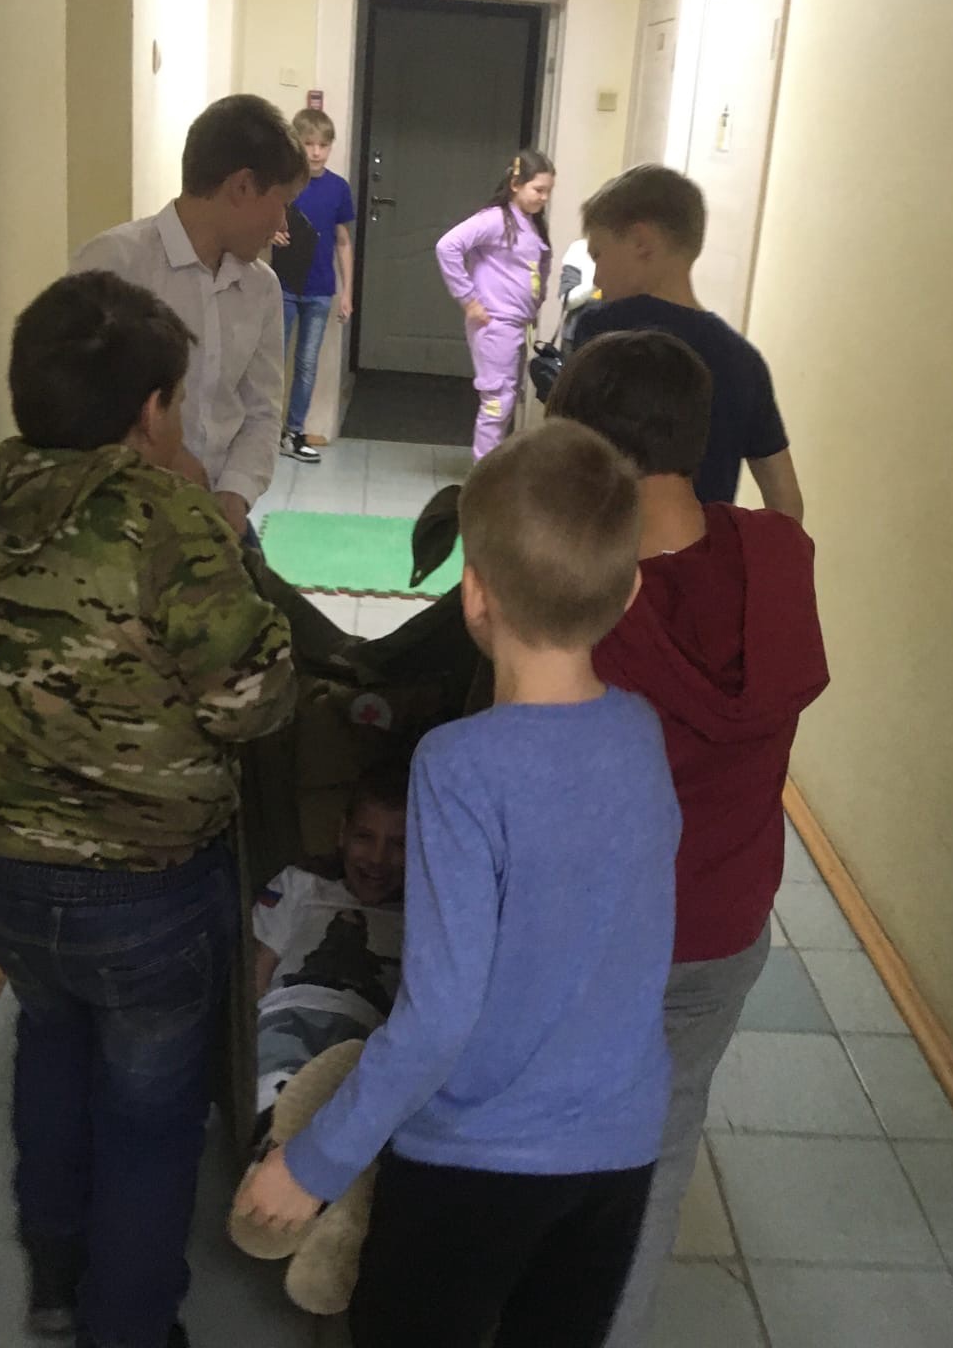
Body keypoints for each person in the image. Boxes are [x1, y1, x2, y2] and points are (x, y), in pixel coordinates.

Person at [234, 420, 680, 1348]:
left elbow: (439, 1016)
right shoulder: (642, 734)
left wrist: (314, 1163)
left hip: (475, 1163)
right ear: (630, 590)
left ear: (474, 594)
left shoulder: (457, 766)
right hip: (619, 1149)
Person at [0, 270, 297, 1348]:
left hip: (4, 870)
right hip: (146, 888)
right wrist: (216, 531)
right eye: (172, 399)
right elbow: (253, 701)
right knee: (148, 1119)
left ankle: (55, 1280)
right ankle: (126, 1328)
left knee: (51, 1050)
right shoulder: (168, 520)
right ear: (149, 411)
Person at [546, 330, 828, 1348]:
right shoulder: (778, 557)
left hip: (595, 937)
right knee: (660, 1153)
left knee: (548, 1144)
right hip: (723, 927)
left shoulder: (578, 599)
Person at [72, 94, 309, 539]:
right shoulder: (114, 264)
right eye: (283, 202)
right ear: (242, 186)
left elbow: (262, 411)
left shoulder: (262, 288)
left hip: (216, 514)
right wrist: (168, 458)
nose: (283, 223)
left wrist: (235, 494)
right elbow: (77, 405)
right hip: (119, 519)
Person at [573, 164, 805, 517]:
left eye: (598, 255)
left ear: (641, 243)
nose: (597, 277)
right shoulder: (744, 360)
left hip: (607, 546)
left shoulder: (602, 331)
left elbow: (563, 457)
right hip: (702, 549)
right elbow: (786, 501)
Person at [251, 765, 409, 1133]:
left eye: (398, 844)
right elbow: (258, 968)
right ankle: (272, 1133)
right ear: (342, 833)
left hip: (367, 1030)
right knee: (278, 1081)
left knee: (350, 1105)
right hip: (289, 1009)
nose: (377, 858)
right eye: (364, 837)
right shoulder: (302, 885)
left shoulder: (421, 914)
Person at [435, 150, 556, 459]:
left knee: (505, 399)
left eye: (548, 191)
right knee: (497, 401)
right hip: (495, 323)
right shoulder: (495, 219)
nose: (544, 197)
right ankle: (484, 474)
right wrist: (468, 299)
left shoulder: (530, 224)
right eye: (538, 190)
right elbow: (447, 246)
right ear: (516, 184)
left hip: (515, 324)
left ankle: (493, 469)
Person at [274, 108, 357, 464]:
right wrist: (270, 233)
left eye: (323, 145)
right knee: (272, 362)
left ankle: (294, 432)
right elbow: (262, 222)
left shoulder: (338, 188)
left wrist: (347, 292)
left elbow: (343, 242)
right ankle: (262, 431)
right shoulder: (283, 184)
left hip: (321, 290)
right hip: (282, 286)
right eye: (309, 144)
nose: (316, 152)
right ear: (297, 144)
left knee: (306, 364)